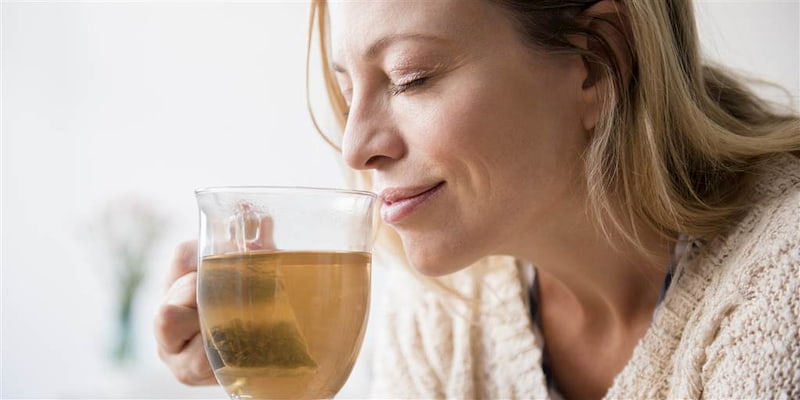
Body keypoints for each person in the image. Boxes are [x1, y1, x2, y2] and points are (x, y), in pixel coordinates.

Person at [155, 0, 800, 398]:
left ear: (599, 62)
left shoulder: (782, 288)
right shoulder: (443, 314)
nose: (355, 148)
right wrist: (281, 383)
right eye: (348, 88)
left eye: (412, 78)